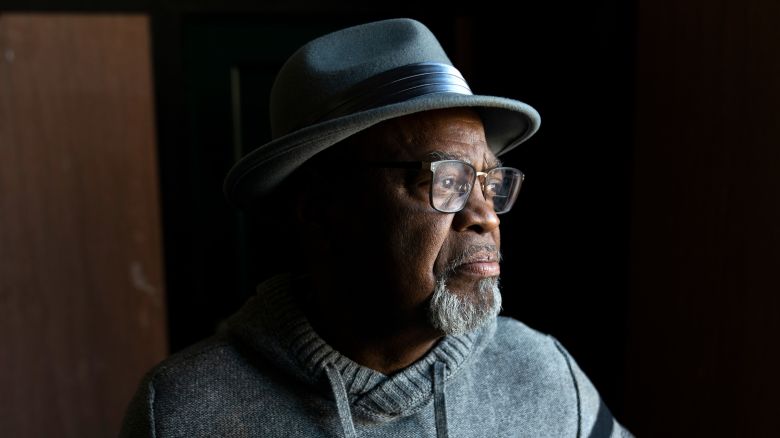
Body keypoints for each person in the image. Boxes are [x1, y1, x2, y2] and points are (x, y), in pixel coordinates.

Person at [121, 18, 632, 437]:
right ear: (320, 206)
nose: (485, 215)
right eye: (445, 179)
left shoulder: (541, 374)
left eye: (487, 180)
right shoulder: (181, 413)